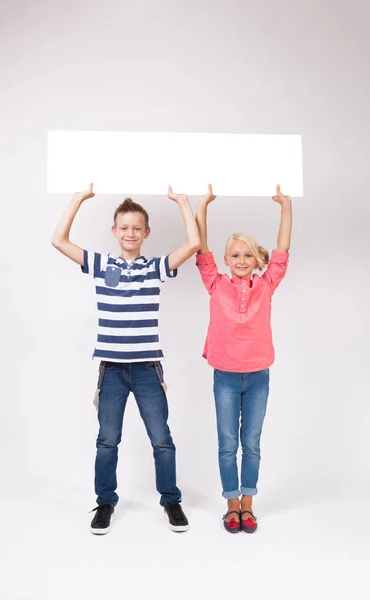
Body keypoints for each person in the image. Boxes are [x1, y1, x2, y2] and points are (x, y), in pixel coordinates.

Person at [51, 183, 200, 534]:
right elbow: (59, 241)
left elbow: (193, 245)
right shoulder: (102, 265)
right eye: (124, 227)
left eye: (137, 228)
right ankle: (105, 502)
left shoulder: (156, 268)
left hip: (148, 368)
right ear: (114, 231)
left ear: (146, 233)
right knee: (107, 440)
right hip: (112, 370)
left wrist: (182, 202)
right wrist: (77, 199)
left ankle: (170, 500)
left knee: (161, 438)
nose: (130, 233)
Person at [195, 184, 292, 533]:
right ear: (226, 260)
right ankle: (230, 505)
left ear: (256, 260)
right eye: (234, 255)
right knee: (227, 444)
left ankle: (248, 506)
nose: (240, 261)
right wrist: (202, 206)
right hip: (225, 376)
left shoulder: (266, 285)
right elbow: (201, 247)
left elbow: (282, 250)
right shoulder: (215, 283)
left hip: (258, 377)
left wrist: (285, 206)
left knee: (251, 443)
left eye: (247, 256)